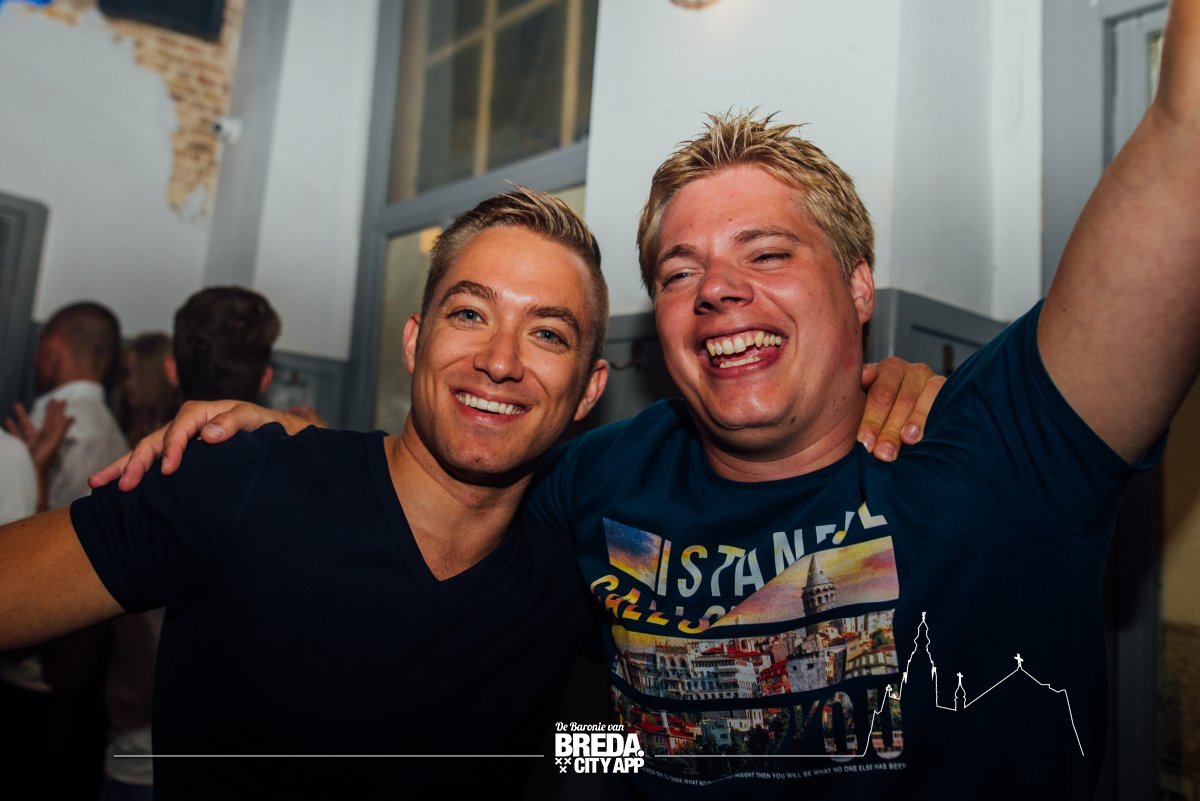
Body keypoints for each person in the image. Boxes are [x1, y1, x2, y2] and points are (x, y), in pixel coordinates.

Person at [126, 1, 1200, 797]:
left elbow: (1187, 137)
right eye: (681, 270)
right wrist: (300, 447)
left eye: (766, 252)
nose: (717, 288)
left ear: (859, 287)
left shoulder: (1004, 446)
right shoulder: (597, 480)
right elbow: (592, 709)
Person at [0, 188, 933, 799]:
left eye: (548, 333)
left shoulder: (569, 573)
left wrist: (876, 382)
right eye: (470, 312)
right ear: (416, 342)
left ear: (588, 391)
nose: (499, 359)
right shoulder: (243, 479)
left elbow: (595, 737)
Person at [1, 301, 126, 800]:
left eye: (39, 350)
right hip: (80, 669)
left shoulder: (43, 421)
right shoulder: (114, 434)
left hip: (31, 663)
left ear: (52, 348)